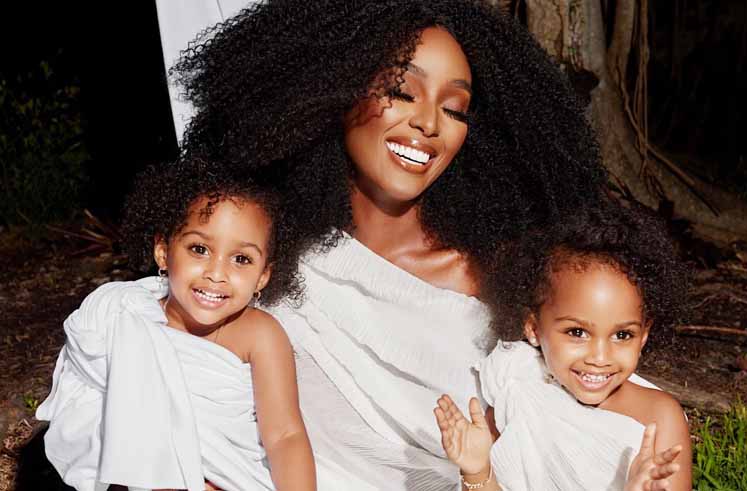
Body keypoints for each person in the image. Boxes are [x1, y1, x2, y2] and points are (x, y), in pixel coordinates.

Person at [158, 0, 615, 488]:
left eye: (454, 108)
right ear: (333, 90)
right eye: (402, 90)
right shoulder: (265, 254)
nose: (429, 124)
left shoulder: (493, 278)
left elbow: (569, 404)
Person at [36, 158, 318, 491]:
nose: (216, 273)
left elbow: (285, 435)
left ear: (264, 276)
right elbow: (98, 428)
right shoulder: (126, 323)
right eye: (199, 249)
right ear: (163, 252)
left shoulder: (260, 335)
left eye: (241, 259)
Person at [434, 202, 693, 490]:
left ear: (644, 334)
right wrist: (477, 470)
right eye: (577, 332)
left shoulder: (659, 418)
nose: (599, 357)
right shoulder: (517, 387)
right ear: (533, 328)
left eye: (622, 335)